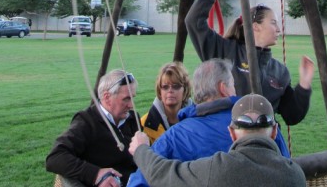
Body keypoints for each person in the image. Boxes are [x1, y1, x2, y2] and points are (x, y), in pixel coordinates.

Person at [126, 59, 289, 187]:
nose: (235, 90)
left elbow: (139, 182)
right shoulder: (264, 126)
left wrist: (142, 151)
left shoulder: (174, 137)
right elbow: (287, 166)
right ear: (223, 88)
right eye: (233, 84)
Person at [185, 0, 314, 125]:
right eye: (273, 23)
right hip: (226, 137)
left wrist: (304, 84)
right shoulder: (225, 51)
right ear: (255, 26)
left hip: (264, 141)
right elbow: (193, 21)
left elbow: (292, 116)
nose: (278, 30)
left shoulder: (280, 71)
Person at [129, 93, 306, 187]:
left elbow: (163, 173)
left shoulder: (217, 169)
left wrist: (141, 149)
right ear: (274, 131)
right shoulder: (295, 175)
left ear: (232, 132)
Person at [46, 69, 140, 187]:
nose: (131, 105)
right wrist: (96, 174)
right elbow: (55, 157)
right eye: (126, 99)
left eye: (133, 98)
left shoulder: (132, 119)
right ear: (107, 97)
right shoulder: (86, 122)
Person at [141, 61, 191, 144]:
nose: (170, 90)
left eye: (176, 86)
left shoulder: (198, 119)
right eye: (165, 87)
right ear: (159, 92)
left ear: (185, 90)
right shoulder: (144, 124)